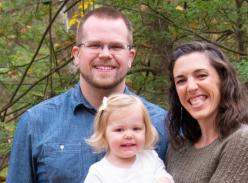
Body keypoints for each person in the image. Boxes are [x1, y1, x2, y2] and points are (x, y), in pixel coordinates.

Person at [7, 6, 168, 183]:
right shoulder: (36, 123)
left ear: (130, 57)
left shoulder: (163, 124)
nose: (105, 54)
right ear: (76, 55)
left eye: (115, 46)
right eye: (94, 45)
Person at [165, 41, 248, 183]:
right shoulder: (178, 148)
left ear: (223, 80)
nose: (191, 87)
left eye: (201, 76)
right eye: (181, 81)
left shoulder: (244, 141)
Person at [84, 94, 173, 183]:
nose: (129, 135)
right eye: (119, 130)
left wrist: (163, 179)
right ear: (104, 135)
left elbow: (163, 176)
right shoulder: (98, 173)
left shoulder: (150, 158)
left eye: (136, 128)